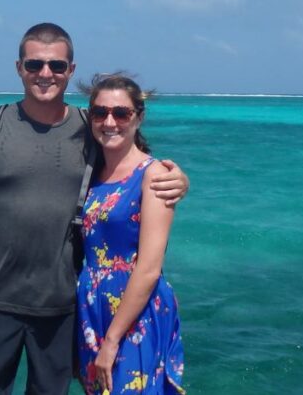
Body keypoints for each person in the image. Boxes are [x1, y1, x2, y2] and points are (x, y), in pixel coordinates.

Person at [0, 23, 188, 395]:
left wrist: (178, 179)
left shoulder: (87, 128)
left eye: (57, 66)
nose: (46, 74)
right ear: (19, 68)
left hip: (62, 309)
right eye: (35, 64)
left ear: (70, 71)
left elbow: (131, 164)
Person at [76, 73, 185, 395]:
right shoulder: (91, 172)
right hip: (92, 308)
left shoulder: (154, 175)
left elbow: (149, 268)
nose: (110, 122)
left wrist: (111, 341)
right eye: (100, 113)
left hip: (134, 313)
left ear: (139, 117)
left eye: (121, 113)